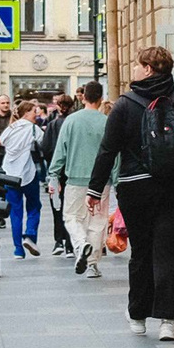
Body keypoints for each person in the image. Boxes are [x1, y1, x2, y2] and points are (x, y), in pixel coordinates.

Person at [87, 47, 174, 340]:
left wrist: (95, 189)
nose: (134, 70)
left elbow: (108, 149)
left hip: (137, 187)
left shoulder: (124, 105)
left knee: (143, 251)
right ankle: (169, 323)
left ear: (147, 68)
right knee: (169, 250)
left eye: (137, 65)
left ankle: (137, 317)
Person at [51, 83, 110, 276]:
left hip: (76, 178)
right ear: (101, 98)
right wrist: (115, 178)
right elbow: (114, 153)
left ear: (83, 97)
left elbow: (61, 150)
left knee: (71, 217)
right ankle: (92, 264)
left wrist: (53, 174)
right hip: (102, 181)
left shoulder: (71, 121)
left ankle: (80, 243)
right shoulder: (106, 121)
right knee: (98, 221)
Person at [0, 99, 45, 257]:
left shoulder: (11, 128)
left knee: (15, 212)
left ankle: (18, 249)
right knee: (34, 206)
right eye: (33, 112)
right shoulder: (33, 129)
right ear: (26, 113)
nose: (36, 115)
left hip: (10, 173)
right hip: (27, 172)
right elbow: (44, 142)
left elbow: (0, 141)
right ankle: (30, 235)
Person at [39, 93, 77, 256]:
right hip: (73, 169)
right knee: (72, 207)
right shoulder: (74, 123)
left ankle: (58, 241)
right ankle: (70, 242)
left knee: (57, 205)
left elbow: (46, 148)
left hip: (56, 170)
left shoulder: (53, 124)